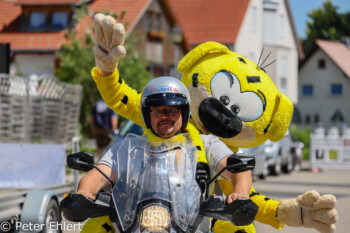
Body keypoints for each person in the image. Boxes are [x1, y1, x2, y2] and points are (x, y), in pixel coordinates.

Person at [78, 76, 252, 232]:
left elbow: (239, 168)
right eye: (158, 111)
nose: (165, 116)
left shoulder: (206, 145)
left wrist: (240, 194)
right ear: (148, 114)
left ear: (183, 112)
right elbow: (98, 175)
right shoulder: (128, 148)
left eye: (171, 110)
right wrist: (84, 192)